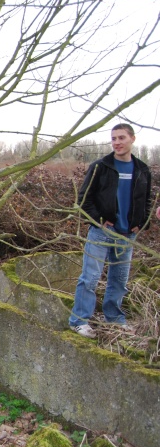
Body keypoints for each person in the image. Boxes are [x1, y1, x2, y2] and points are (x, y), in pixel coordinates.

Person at [68, 123, 152, 338]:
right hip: (102, 232)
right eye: (113, 138)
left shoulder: (142, 169)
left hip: (127, 235)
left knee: (119, 279)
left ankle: (114, 319)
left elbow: (147, 200)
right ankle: (79, 321)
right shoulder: (101, 166)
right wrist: (100, 221)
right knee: (90, 277)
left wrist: (141, 222)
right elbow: (84, 200)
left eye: (121, 138)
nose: (117, 142)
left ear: (132, 139)